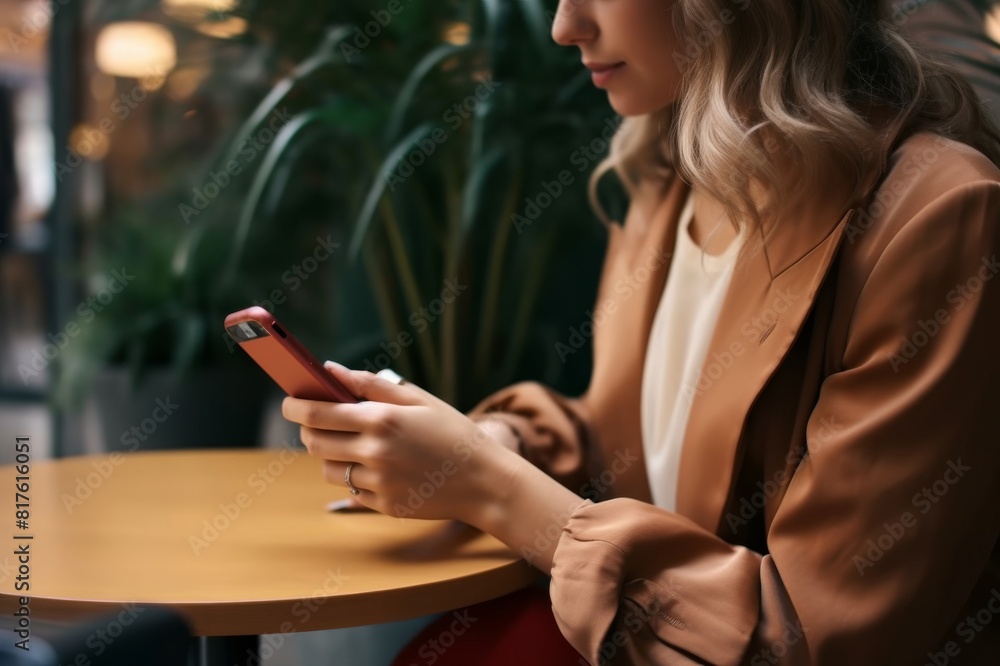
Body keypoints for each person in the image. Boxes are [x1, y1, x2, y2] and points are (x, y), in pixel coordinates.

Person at [282, 0, 1000, 663]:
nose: (566, 26)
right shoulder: (672, 173)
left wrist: (491, 489)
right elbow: (640, 452)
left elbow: (813, 635)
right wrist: (499, 446)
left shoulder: (936, 217)